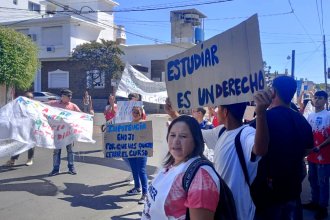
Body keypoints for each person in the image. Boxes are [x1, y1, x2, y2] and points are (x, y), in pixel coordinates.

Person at [165, 89, 271, 220]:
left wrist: (261, 114)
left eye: (218, 108)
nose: (215, 111)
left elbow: (261, 149)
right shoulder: (221, 131)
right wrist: (174, 114)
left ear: (225, 112)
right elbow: (197, 132)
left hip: (239, 212)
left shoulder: (246, 133)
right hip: (220, 207)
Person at [251, 76, 314, 220]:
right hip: (292, 189)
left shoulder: (262, 120)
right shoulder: (302, 120)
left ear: (272, 92)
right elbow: (308, 149)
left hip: (267, 193)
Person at [142, 115, 220, 219]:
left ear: (196, 140)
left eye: (183, 136)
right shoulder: (171, 163)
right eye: (172, 135)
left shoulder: (201, 177)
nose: (176, 141)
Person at [303, 90, 330, 220]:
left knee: (323, 182)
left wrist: (319, 147)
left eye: (320, 98)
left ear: (325, 100)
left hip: (323, 156)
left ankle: (323, 207)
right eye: (315, 98)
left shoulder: (328, 115)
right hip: (311, 155)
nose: (317, 100)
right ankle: (314, 202)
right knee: (312, 179)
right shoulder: (310, 116)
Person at [48, 89, 81, 176]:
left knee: (70, 151)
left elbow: (81, 115)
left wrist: (88, 110)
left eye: (71, 96)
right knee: (56, 151)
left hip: (68, 133)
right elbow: (42, 107)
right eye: (68, 96)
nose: (70, 98)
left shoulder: (73, 106)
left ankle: (71, 167)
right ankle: (55, 169)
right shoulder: (54, 103)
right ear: (62, 96)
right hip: (58, 133)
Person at [126, 106, 149, 204]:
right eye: (133, 112)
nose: (135, 114)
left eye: (137, 112)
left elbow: (148, 137)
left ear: (141, 114)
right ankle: (137, 187)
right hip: (131, 150)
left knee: (141, 171)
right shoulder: (130, 124)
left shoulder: (143, 123)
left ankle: (145, 194)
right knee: (134, 170)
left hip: (141, 151)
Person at [6, 91, 35, 166]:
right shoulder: (19, 105)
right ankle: (13, 159)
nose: (29, 98)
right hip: (20, 128)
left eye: (31, 97)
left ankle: (30, 159)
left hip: (31, 128)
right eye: (28, 97)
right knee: (18, 143)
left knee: (30, 144)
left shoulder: (35, 106)